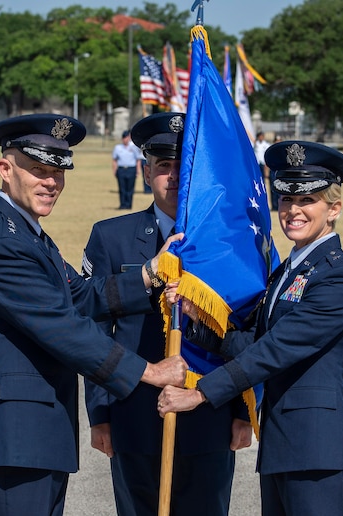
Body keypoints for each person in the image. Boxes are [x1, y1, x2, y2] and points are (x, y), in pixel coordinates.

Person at [0, 113, 187, 516]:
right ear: (5, 169)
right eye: (39, 170)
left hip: (35, 432)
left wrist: (149, 274)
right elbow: (66, 329)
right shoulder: (2, 243)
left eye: (58, 171)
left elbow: (81, 296)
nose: (51, 182)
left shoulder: (25, 233)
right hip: (17, 434)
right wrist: (151, 372)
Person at [158, 140, 343, 516]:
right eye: (286, 200)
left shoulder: (338, 279)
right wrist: (195, 321)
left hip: (320, 450)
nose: (293, 211)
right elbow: (256, 342)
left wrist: (201, 393)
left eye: (308, 201)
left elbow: (275, 351)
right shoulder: (289, 270)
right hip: (285, 447)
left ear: (333, 209)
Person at [81, 112, 252, 516]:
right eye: (163, 166)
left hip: (209, 412)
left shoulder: (229, 243)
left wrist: (244, 411)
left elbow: (247, 326)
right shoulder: (111, 236)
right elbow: (94, 329)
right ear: (145, 171)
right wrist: (100, 414)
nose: (173, 177)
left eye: (184, 167)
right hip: (132, 414)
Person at [111, 129, 141, 209]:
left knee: (130, 189)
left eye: (127, 137)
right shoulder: (118, 148)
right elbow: (114, 160)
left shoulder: (133, 148)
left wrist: (138, 171)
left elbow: (138, 159)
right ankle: (122, 204)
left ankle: (128, 205)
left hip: (131, 169)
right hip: (121, 169)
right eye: (124, 138)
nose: (125, 139)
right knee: (122, 188)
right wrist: (114, 170)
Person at [254, 131, 276, 211]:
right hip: (257, 164)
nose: (261, 138)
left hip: (264, 164)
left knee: (264, 182)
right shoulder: (255, 144)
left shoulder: (266, 145)